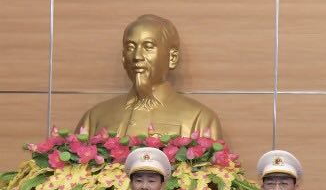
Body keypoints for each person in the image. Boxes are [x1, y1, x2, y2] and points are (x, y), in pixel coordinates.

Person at [76, 14, 223, 139]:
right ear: (123, 58)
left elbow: (213, 171)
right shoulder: (95, 117)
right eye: (130, 48)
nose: (137, 56)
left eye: (148, 47)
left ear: (172, 58)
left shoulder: (200, 119)